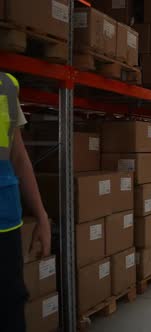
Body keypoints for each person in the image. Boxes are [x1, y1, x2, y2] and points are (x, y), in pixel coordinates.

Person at [0, 72, 51, 331]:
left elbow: (18, 157)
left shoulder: (7, 86)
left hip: (5, 224)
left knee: (10, 308)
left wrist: (41, 216)